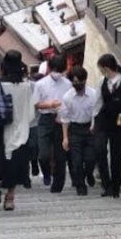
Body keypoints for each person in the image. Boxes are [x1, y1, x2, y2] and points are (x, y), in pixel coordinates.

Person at [0, 50, 37, 211]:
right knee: (14, 166)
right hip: (20, 131)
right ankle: (10, 199)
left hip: (0, 130)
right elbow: (30, 112)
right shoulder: (27, 86)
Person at [94, 53, 121, 198]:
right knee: (100, 150)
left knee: (116, 155)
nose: (101, 72)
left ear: (106, 68)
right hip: (103, 119)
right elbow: (97, 102)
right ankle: (106, 184)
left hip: (119, 122)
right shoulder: (102, 82)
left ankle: (115, 187)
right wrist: (93, 122)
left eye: (101, 69)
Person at [33, 55, 71, 192]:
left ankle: (58, 184)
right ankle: (47, 172)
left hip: (62, 120)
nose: (58, 73)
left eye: (60, 70)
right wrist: (50, 104)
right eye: (55, 69)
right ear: (50, 68)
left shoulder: (67, 84)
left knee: (60, 154)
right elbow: (36, 104)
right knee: (43, 154)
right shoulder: (40, 84)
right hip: (45, 119)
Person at [59, 66, 98, 196]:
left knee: (90, 158)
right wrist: (65, 137)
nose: (77, 84)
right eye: (74, 82)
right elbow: (65, 118)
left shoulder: (93, 94)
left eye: (79, 81)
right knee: (76, 160)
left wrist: (94, 126)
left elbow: (96, 113)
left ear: (85, 80)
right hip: (75, 129)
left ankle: (89, 173)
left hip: (90, 129)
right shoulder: (67, 97)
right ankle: (80, 185)